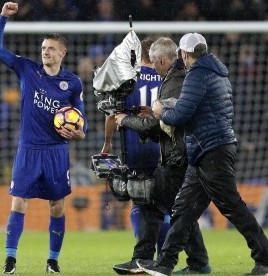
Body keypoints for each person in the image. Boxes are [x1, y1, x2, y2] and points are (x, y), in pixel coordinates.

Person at [144, 33, 268, 276]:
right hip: (208, 148)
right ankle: (166, 263)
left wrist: (160, 112)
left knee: (232, 207)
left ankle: (267, 260)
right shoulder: (218, 74)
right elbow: (198, 108)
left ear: (184, 55)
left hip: (211, 149)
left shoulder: (196, 75)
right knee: (184, 208)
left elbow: (181, 116)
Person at [0, 2, 86, 274]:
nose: (45, 52)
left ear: (62, 53)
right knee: (18, 201)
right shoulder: (27, 69)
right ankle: (10, 260)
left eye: (51, 48)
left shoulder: (73, 83)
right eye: (43, 48)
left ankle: (53, 261)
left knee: (57, 206)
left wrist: (79, 132)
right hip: (28, 149)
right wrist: (3, 18)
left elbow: (81, 119)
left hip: (56, 151)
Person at [113, 37, 211, 275]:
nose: (153, 68)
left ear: (163, 60)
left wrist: (126, 120)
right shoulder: (176, 78)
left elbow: (157, 125)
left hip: (180, 157)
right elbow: (167, 122)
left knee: (162, 205)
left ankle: (149, 259)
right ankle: (191, 262)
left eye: (155, 63)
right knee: (173, 208)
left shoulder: (174, 82)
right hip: (180, 155)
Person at [101, 37, 165, 274]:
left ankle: (144, 259)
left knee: (141, 204)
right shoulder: (166, 77)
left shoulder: (129, 79)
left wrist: (107, 144)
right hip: (163, 150)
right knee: (162, 206)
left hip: (136, 148)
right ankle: (161, 257)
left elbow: (112, 115)